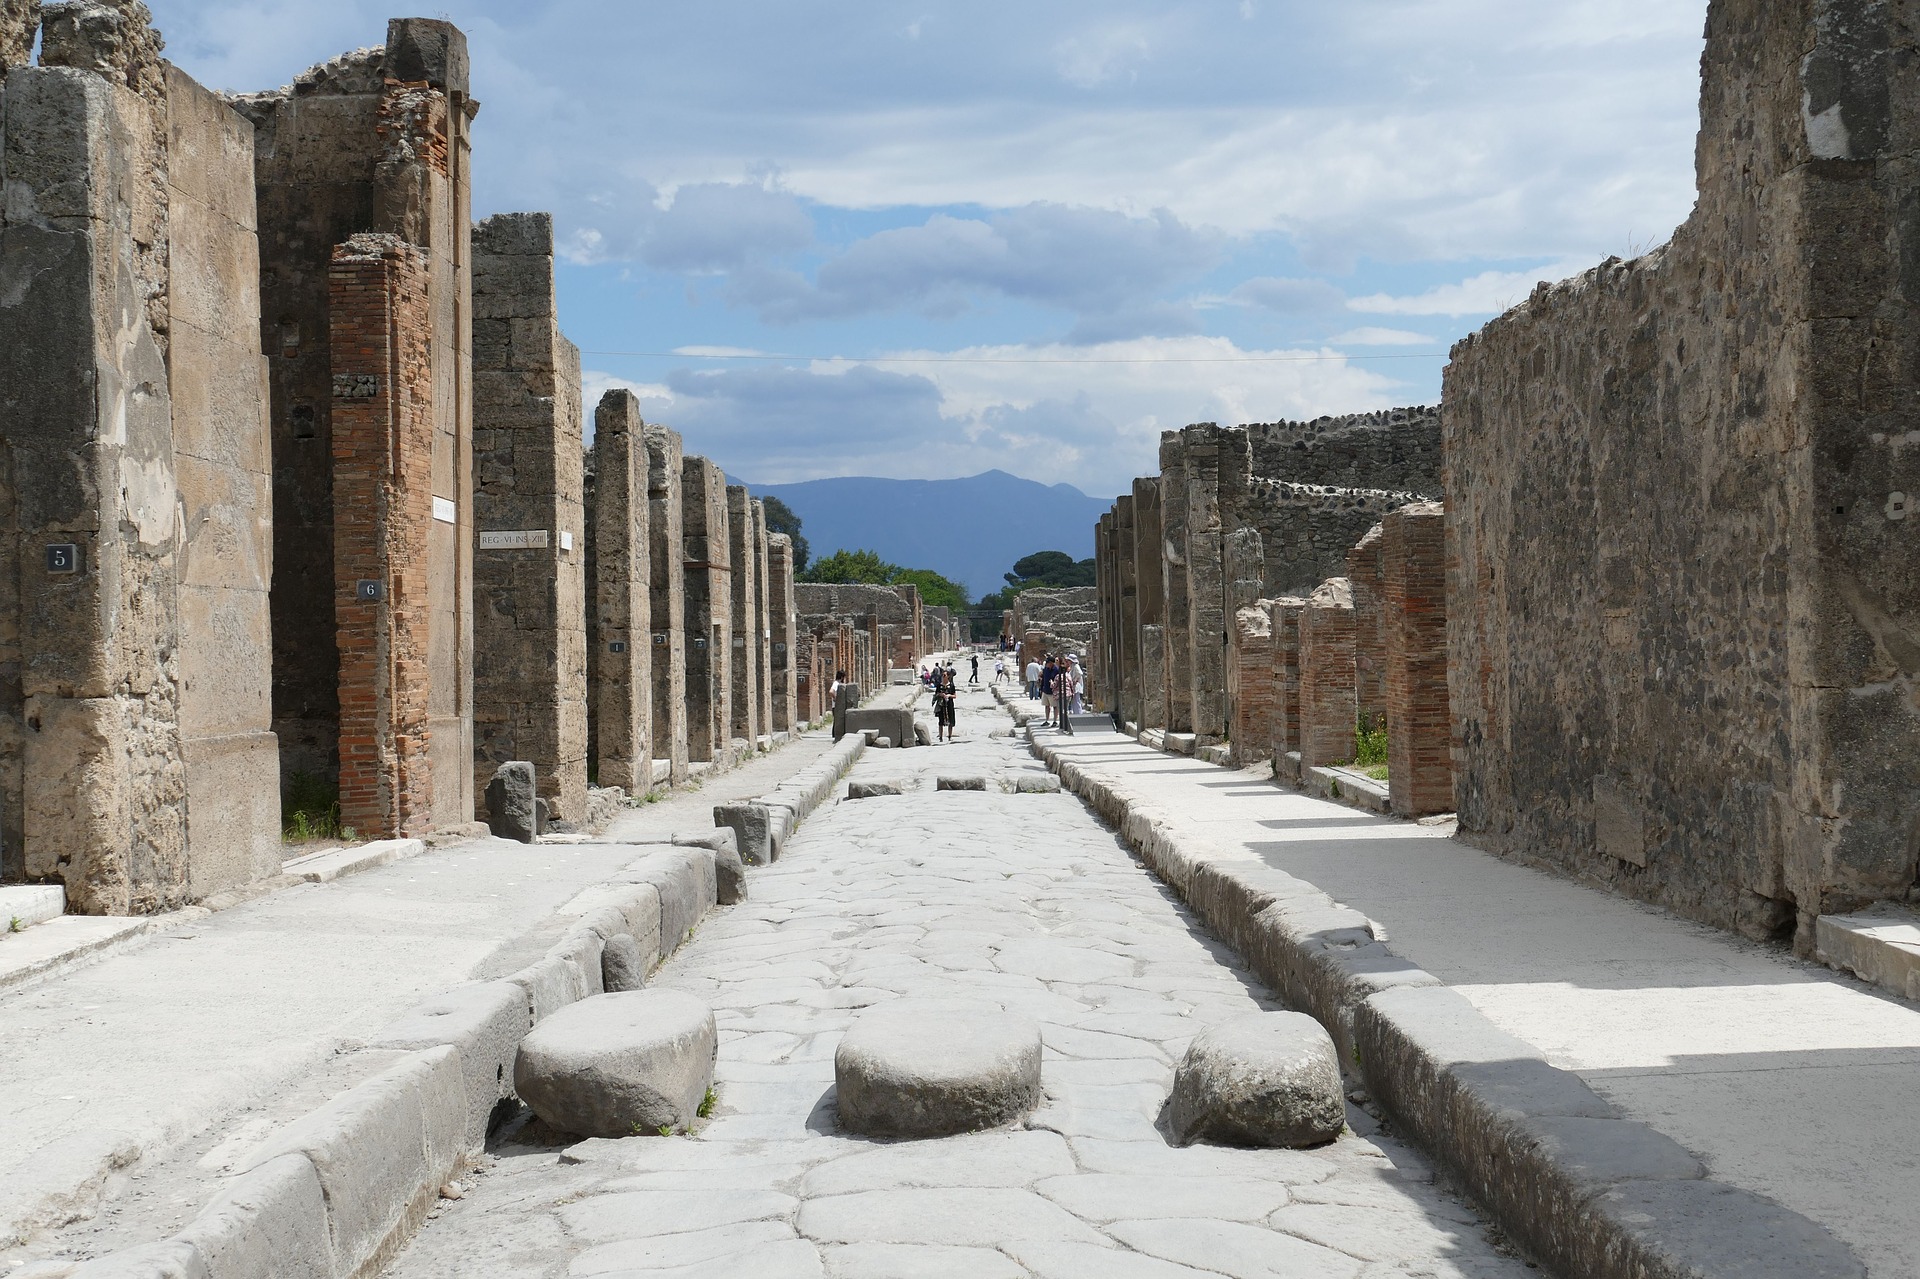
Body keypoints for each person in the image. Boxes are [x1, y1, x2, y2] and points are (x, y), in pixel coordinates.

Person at [934, 662, 958, 741]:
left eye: (945, 675)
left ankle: (950, 736)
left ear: (948, 677)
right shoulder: (939, 685)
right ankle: (940, 737)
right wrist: (941, 695)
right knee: (940, 721)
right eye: (943, 675)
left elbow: (955, 696)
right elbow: (936, 695)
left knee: (951, 720)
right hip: (941, 705)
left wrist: (948, 696)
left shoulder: (951, 685)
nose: (943, 677)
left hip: (949, 704)